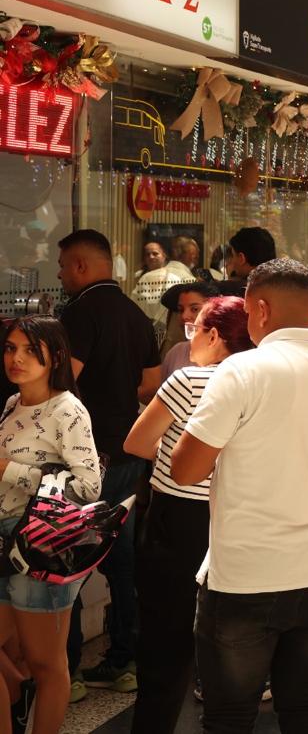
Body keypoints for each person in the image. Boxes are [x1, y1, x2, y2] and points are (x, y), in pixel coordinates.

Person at [171, 258, 308, 732]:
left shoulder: (242, 371)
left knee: (229, 715)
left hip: (247, 575)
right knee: (305, 704)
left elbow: (185, 469)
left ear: (262, 309)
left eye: (247, 313)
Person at [124, 297, 253, 734]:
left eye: (194, 328)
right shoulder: (257, 381)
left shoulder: (187, 380)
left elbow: (137, 443)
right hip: (235, 516)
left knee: (165, 643)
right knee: (227, 644)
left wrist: (174, 454)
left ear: (214, 335)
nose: (190, 337)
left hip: (176, 518)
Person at [56, 229, 160, 697]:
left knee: (69, 556)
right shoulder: (137, 315)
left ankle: (68, 670)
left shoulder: (78, 313)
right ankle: (123, 663)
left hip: (82, 454)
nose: (60, 275)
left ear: (80, 266)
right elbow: (148, 383)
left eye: (63, 266)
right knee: (120, 557)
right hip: (126, 448)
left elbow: (63, 385)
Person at [0, 316, 101, 734]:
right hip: (6, 541)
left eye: (29, 350)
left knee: (47, 664)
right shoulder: (11, 403)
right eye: (9, 348)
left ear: (53, 357)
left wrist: (9, 470)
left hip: (41, 546)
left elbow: (89, 486)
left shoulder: (67, 409)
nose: (16, 358)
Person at [158, 281, 221, 381]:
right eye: (181, 310)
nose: (184, 316)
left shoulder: (230, 354)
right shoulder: (176, 352)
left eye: (195, 309)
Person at [218, 226, 276, 297]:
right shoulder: (283, 285)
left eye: (233, 255)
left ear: (241, 258)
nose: (232, 261)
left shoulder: (234, 290)